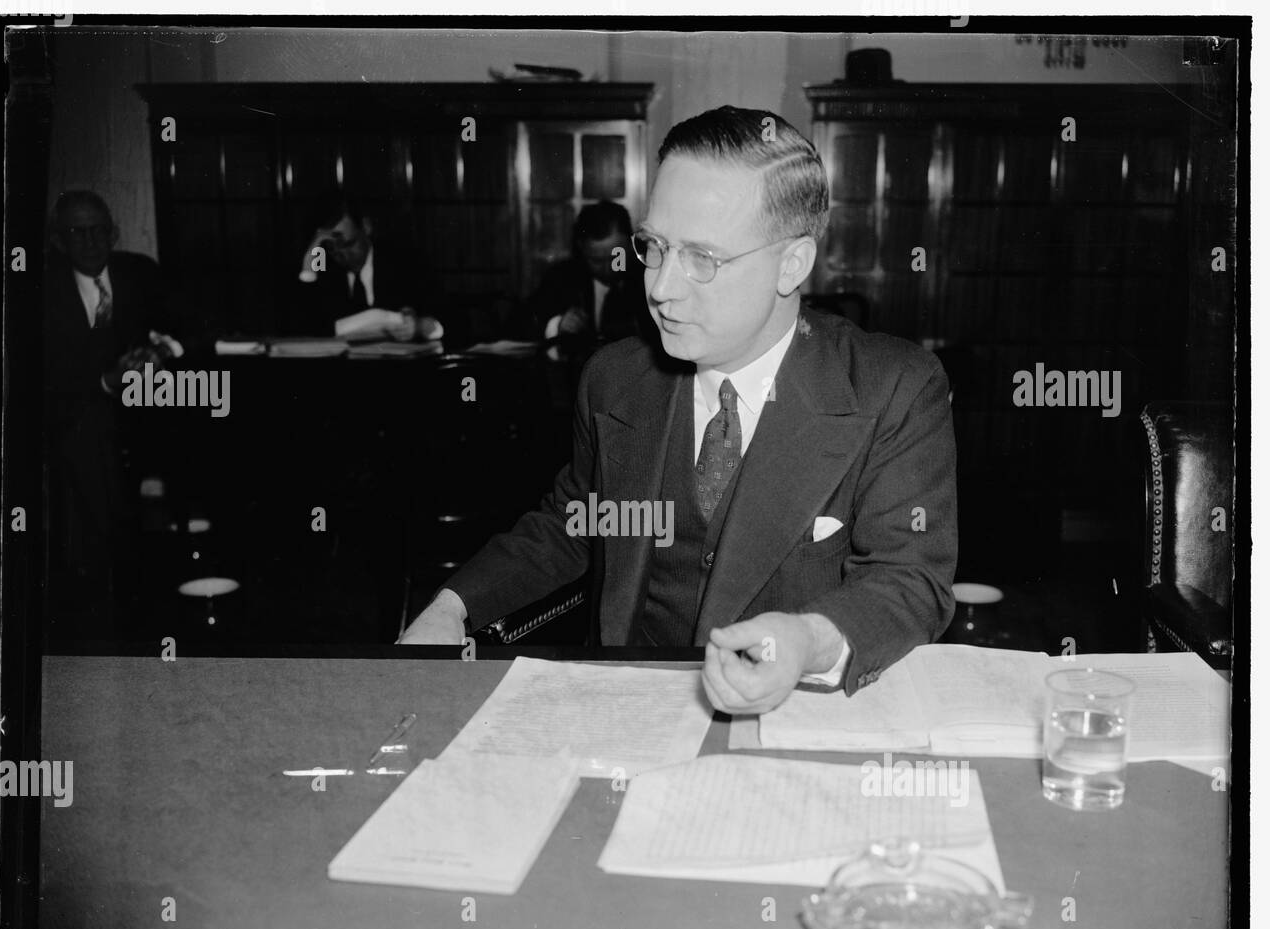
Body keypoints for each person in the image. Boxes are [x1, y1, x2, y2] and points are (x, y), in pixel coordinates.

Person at [400, 106, 957, 715]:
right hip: (626, 712)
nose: (661, 287)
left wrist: (807, 639)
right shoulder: (614, 379)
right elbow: (575, 524)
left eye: (702, 258)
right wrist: (452, 605)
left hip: (792, 718)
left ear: (792, 264)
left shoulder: (893, 387)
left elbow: (911, 579)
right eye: (655, 247)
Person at [42, 189, 210, 621]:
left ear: (114, 233)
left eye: (101, 230)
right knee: (89, 437)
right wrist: (104, 381)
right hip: (77, 412)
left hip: (145, 405)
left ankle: (189, 561)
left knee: (202, 403)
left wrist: (164, 352)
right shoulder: (40, 289)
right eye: (78, 232)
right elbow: (42, 378)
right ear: (58, 240)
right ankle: (106, 587)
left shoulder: (138, 272)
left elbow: (194, 327)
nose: (92, 241)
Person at [294, 191, 443, 340]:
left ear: (366, 227)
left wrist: (419, 326)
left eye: (349, 244)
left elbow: (447, 321)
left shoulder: (406, 262)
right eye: (332, 248)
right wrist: (309, 266)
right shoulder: (323, 265)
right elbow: (300, 326)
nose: (342, 255)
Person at [530, 200, 649, 357]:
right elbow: (527, 328)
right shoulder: (560, 278)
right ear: (582, 249)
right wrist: (557, 326)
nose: (608, 268)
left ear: (630, 244)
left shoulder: (648, 277)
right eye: (597, 260)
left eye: (616, 256)